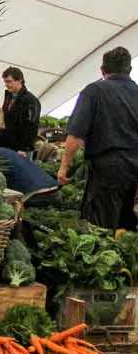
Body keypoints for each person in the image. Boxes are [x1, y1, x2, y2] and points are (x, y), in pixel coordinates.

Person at [60, 47, 138, 231]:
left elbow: (76, 136)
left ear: (103, 70)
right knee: (127, 225)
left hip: (108, 171)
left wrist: (64, 167)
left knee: (99, 227)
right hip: (135, 170)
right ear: (129, 69)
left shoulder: (94, 91)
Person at [0, 67, 40, 154]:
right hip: (7, 145)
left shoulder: (30, 100)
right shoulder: (9, 97)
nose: (6, 84)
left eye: (9, 81)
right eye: (5, 82)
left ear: (19, 80)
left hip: (21, 149)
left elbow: (31, 125)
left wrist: (24, 148)